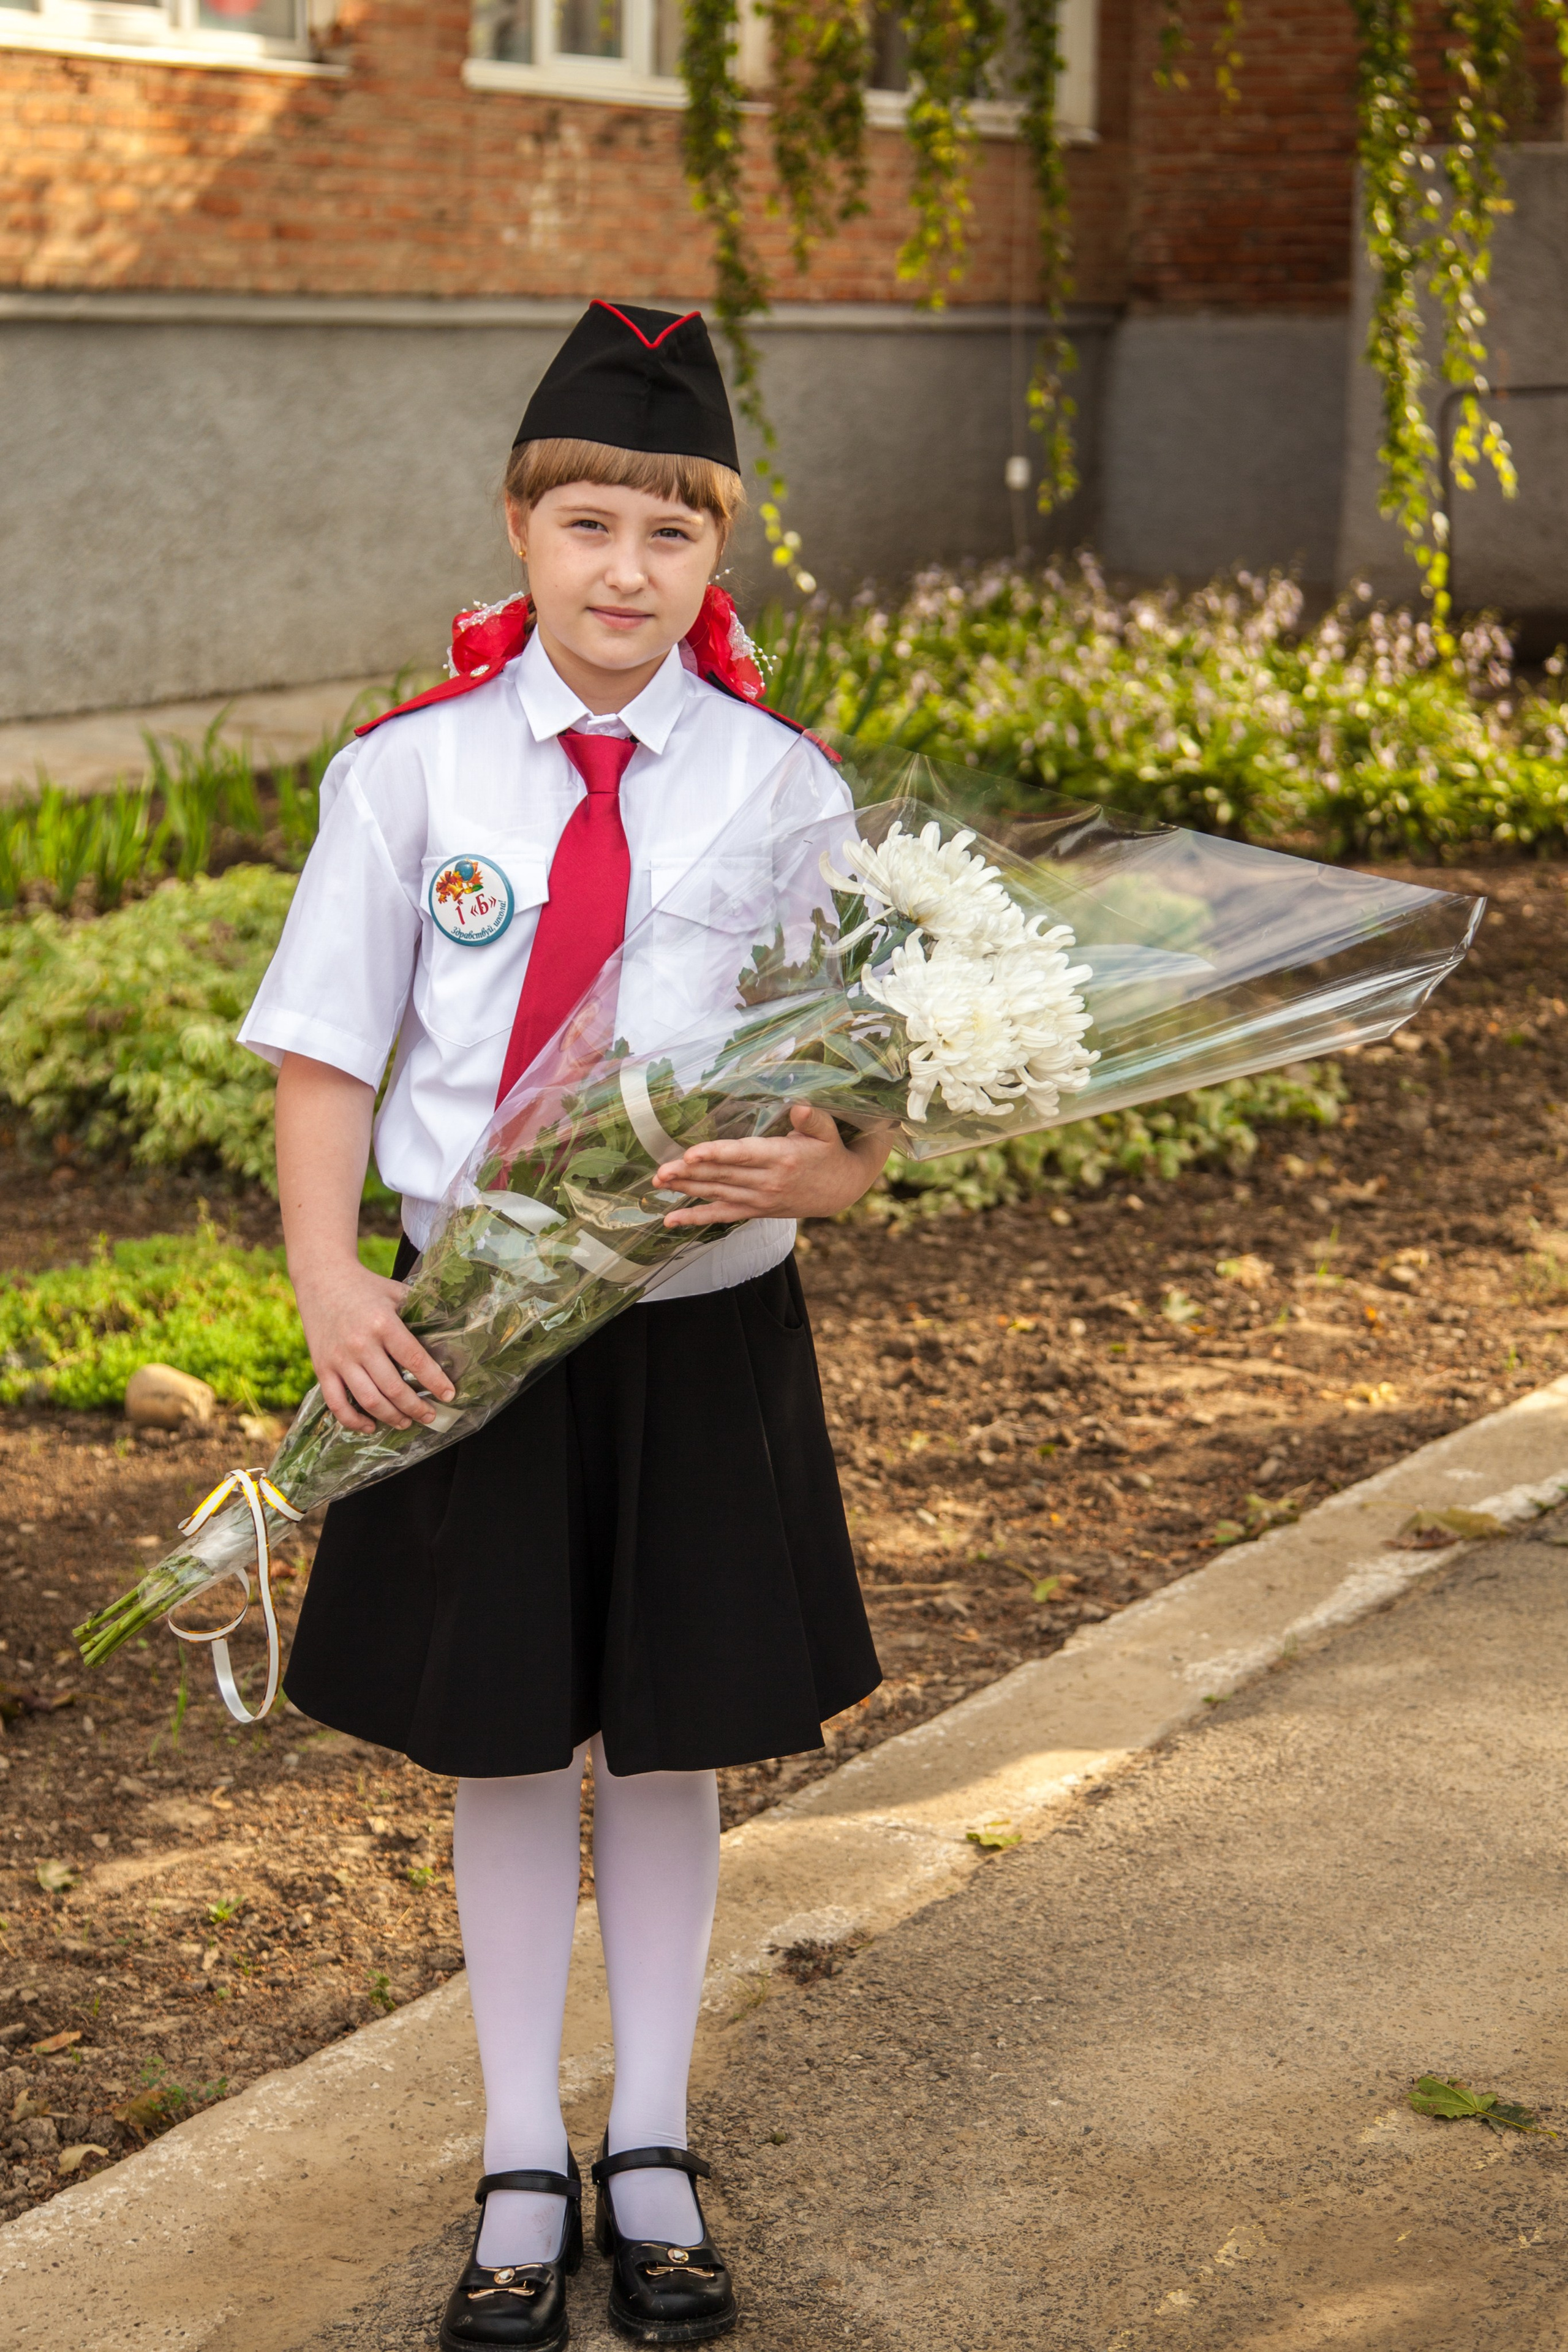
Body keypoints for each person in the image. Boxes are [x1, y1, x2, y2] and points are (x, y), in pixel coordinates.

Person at [238, 299, 887, 2350]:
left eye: (668, 536)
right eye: (588, 522)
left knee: (677, 1743)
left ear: (723, 556)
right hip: (474, 1336)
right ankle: (526, 2154)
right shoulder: (409, 779)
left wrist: (830, 1171)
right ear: (520, 531)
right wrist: (337, 1280)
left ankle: (659, 2142)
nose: (626, 570)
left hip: (702, 1325)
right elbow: (331, 1058)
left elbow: (861, 1078)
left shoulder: (787, 789)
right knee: (506, 1741)